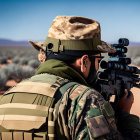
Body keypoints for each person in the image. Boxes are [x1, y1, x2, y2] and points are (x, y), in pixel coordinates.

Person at [0, 16, 139, 140]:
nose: (98, 67)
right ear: (84, 62)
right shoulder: (86, 100)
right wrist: (126, 117)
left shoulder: (8, 96)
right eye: (98, 60)